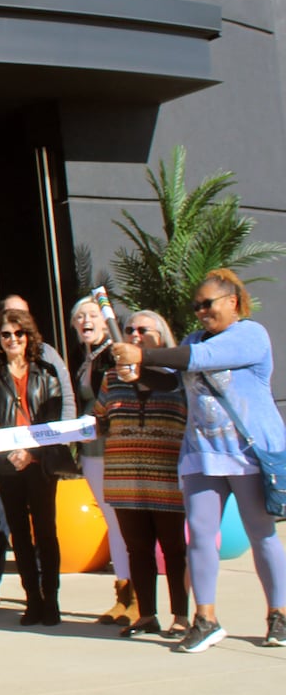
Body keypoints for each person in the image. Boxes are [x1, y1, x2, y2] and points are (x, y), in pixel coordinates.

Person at [111, 269, 286, 652]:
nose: (201, 312)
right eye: (196, 306)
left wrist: (142, 353)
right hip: (201, 454)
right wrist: (136, 371)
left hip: (248, 453)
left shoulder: (250, 336)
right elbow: (172, 379)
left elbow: (200, 359)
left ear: (232, 302)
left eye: (208, 304)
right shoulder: (193, 339)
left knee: (262, 534)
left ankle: (279, 614)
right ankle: (205, 618)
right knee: (200, 539)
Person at [93, 311, 189, 639]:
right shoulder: (111, 378)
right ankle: (146, 614)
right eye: (130, 328)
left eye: (142, 329)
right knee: (137, 549)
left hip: (167, 477)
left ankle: (181, 616)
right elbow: (100, 417)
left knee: (174, 549)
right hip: (124, 477)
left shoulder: (180, 378)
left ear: (160, 337)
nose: (134, 333)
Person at [0, 309, 67, 627]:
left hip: (40, 463)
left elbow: (53, 419)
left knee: (46, 532)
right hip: (8, 465)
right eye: (6, 335)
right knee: (19, 534)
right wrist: (11, 453)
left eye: (18, 333)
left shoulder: (47, 372)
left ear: (28, 336)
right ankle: (32, 600)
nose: (13, 339)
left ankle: (51, 599)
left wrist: (31, 452)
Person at [70, 296, 135, 626]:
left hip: (116, 451)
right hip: (93, 453)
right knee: (114, 525)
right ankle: (122, 596)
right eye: (80, 317)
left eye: (92, 315)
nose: (86, 321)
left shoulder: (114, 353)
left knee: (126, 524)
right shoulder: (86, 360)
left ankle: (137, 599)